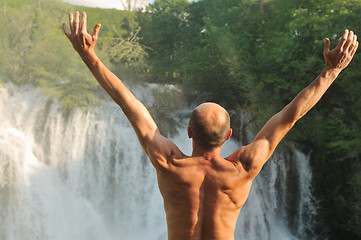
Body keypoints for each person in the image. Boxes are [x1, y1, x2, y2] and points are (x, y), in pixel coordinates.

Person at [63, 11, 358, 240]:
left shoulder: (168, 163)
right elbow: (290, 116)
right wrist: (331, 72)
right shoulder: (244, 167)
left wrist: (90, 57)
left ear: (188, 132)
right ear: (229, 135)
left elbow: (129, 104)